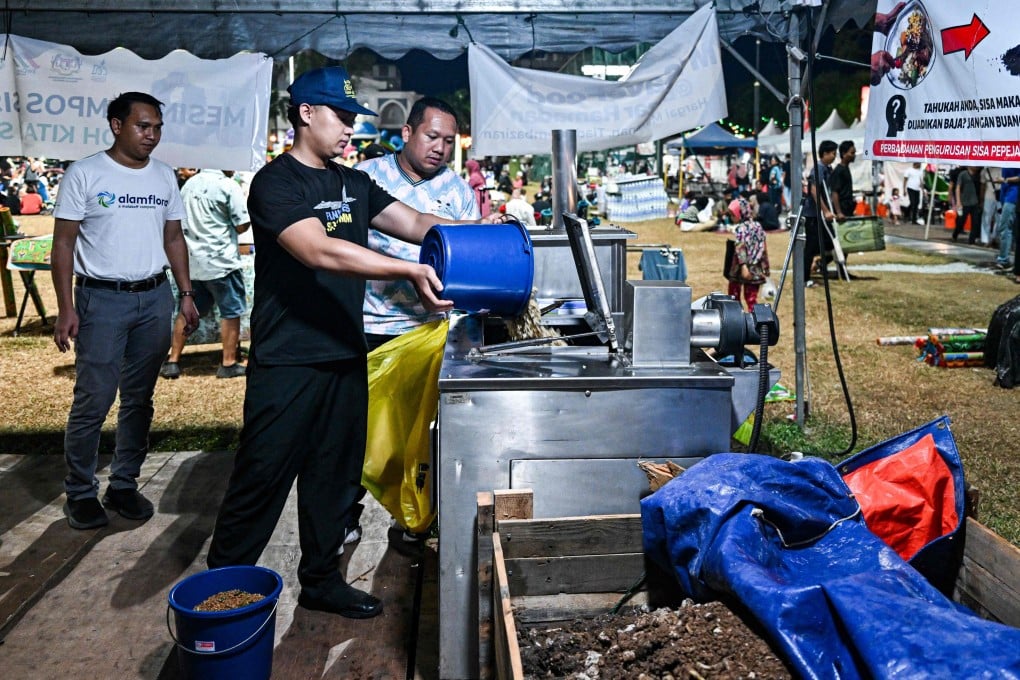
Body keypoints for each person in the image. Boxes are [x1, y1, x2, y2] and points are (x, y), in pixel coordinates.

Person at [206, 66, 504, 620]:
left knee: (333, 475)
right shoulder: (276, 184)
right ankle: (222, 597)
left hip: (346, 356)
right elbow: (319, 250)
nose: (349, 130)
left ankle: (321, 580)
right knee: (261, 479)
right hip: (289, 361)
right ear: (306, 114)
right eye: (341, 118)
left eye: (353, 120)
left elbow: (416, 221)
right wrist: (407, 273)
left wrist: (489, 238)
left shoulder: (354, 183)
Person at [51, 91, 199, 531]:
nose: (152, 135)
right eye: (142, 126)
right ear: (117, 125)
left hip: (154, 298)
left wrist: (186, 293)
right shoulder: (86, 173)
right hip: (102, 300)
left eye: (157, 127)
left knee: (139, 399)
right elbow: (63, 243)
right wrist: (65, 308)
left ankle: (123, 484)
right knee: (94, 399)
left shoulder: (163, 177)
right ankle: (80, 492)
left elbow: (174, 238)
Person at [357, 96, 480, 351]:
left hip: (430, 328)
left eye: (448, 141)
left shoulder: (460, 191)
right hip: (369, 325)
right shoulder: (366, 176)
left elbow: (469, 258)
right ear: (407, 132)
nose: (440, 148)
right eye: (431, 136)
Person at [160, 169, 251, 380]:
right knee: (231, 311)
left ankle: (173, 360)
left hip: (192, 261)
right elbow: (241, 225)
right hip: (221, 261)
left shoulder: (189, 184)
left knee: (188, 311)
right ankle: (228, 363)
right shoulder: (228, 186)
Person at [802, 140, 838, 287]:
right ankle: (805, 279)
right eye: (833, 153)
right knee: (810, 247)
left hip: (820, 214)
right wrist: (825, 210)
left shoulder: (827, 169)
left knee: (829, 243)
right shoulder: (818, 168)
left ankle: (819, 264)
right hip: (813, 214)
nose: (835, 156)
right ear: (825, 154)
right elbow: (814, 190)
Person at [725, 197, 770, 311]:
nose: (731, 217)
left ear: (740, 213)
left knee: (734, 296)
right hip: (756, 267)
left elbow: (740, 248)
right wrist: (766, 266)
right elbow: (763, 247)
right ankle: (754, 320)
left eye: (732, 215)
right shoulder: (758, 226)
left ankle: (737, 319)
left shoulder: (741, 229)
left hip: (740, 267)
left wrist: (743, 266)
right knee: (751, 299)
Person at [994, 167, 1019, 271]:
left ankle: (1003, 259)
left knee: (1004, 228)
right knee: (1009, 229)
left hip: (1013, 195)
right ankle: (1005, 258)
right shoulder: (1007, 156)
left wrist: (1005, 180)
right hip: (1006, 194)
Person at [829, 141, 857, 221]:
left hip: (848, 208)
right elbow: (834, 192)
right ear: (844, 154)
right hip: (842, 208)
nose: (854, 155)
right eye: (852, 153)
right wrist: (839, 212)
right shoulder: (838, 171)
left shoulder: (846, 168)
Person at [953, 165, 982, 245]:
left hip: (975, 202)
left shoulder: (978, 175)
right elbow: (958, 187)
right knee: (961, 221)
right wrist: (958, 201)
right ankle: (955, 233)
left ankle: (971, 241)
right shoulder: (963, 174)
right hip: (964, 202)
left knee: (975, 223)